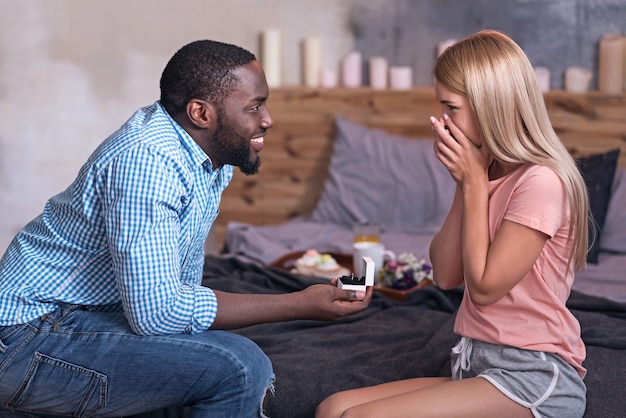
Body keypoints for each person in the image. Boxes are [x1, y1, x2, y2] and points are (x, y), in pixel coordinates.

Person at [0, 40, 372, 418]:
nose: (268, 119)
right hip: (24, 338)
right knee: (241, 367)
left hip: (81, 313)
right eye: (254, 106)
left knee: (216, 347)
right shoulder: (147, 161)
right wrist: (298, 304)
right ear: (200, 113)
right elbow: (157, 314)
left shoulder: (212, 155)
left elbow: (181, 279)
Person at [316, 30, 588, 418]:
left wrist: (474, 182)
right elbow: (444, 275)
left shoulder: (541, 182)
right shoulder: (485, 173)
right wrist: (467, 181)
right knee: (333, 408)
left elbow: (484, 288)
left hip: (531, 375)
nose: (443, 120)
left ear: (490, 105)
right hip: (474, 365)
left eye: (451, 107)